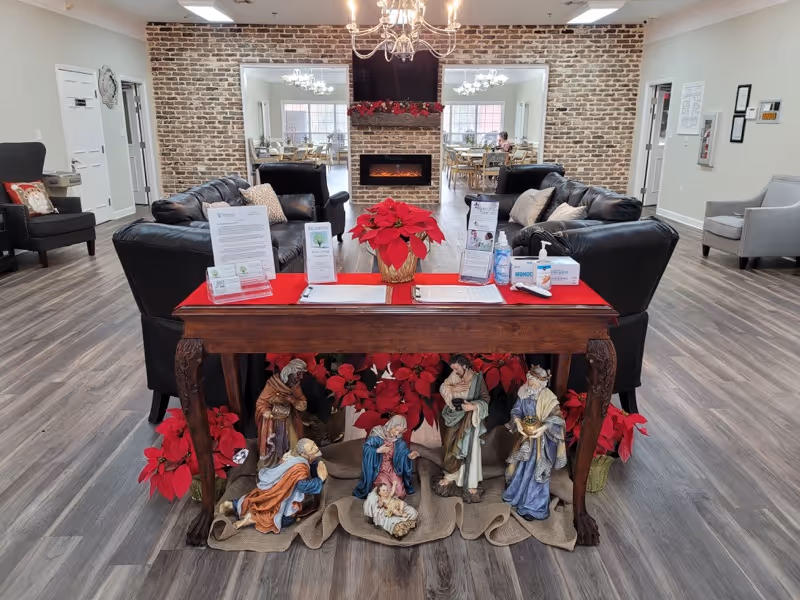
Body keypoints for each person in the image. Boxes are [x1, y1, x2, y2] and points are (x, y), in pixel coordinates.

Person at [219, 438, 327, 533]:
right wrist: (320, 479)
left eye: (313, 444)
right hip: (282, 497)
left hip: (272, 490)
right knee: (286, 518)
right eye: (312, 448)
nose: (316, 447)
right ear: (304, 455)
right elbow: (303, 486)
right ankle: (252, 518)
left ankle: (233, 505)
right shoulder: (300, 467)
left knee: (258, 499)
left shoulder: (290, 457)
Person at [502, 366, 567, 520]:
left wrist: (543, 428)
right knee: (520, 465)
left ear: (541, 383)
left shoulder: (548, 398)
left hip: (543, 441)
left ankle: (533, 506)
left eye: (533, 382)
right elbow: (516, 410)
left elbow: (558, 420)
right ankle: (516, 496)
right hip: (526, 436)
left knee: (535, 471)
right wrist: (517, 422)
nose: (530, 384)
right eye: (529, 381)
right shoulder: (524, 392)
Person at [436, 354, 491, 502]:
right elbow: (443, 387)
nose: (454, 371)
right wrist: (454, 388)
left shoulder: (477, 379)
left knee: (467, 449)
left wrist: (473, 406)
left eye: (456, 368)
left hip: (469, 419)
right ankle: (451, 475)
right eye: (452, 368)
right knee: (449, 445)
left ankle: (471, 481)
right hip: (454, 415)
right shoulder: (454, 376)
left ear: (465, 366)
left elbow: (485, 399)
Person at [256, 359, 308, 469]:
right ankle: (273, 467)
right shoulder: (273, 384)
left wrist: (292, 400)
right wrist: (267, 412)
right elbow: (261, 403)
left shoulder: (295, 386)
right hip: (273, 421)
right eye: (299, 374)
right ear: (291, 372)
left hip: (289, 419)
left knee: (293, 444)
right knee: (273, 445)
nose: (301, 378)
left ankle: (292, 466)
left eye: (302, 374)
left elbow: (303, 405)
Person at [354, 414, 419, 499]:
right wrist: (377, 450)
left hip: (392, 469)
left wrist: (409, 456)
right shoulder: (378, 434)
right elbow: (366, 448)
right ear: (391, 425)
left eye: (400, 432)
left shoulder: (398, 440)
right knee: (386, 491)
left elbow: (403, 452)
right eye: (396, 430)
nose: (397, 434)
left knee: (400, 493)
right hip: (378, 469)